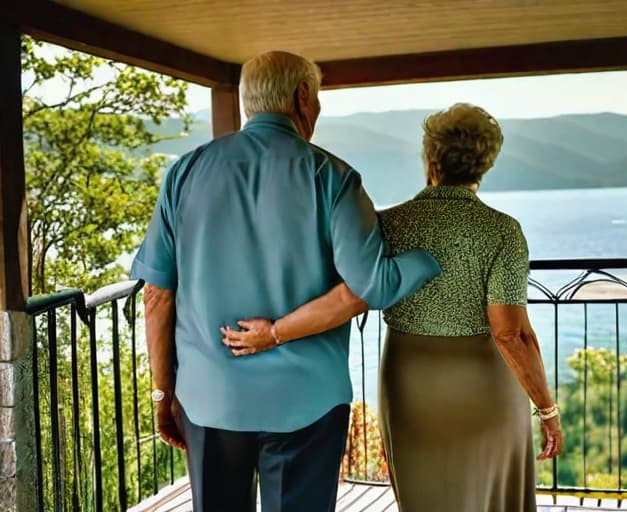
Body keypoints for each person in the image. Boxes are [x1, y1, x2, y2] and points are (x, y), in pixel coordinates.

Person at [131, 50, 440, 512]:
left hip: (210, 398)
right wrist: (427, 259)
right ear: (302, 97)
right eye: (316, 98)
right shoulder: (332, 177)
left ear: (245, 102)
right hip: (307, 403)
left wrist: (164, 392)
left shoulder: (186, 172)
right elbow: (371, 285)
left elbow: (156, 295)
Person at [222, 103, 563, 511]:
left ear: (430, 159)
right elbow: (511, 333)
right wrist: (547, 408)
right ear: (485, 164)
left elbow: (348, 295)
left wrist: (274, 331)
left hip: (410, 380)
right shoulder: (502, 231)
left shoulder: (388, 224)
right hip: (485, 386)